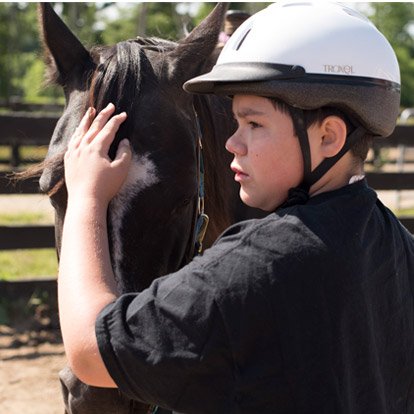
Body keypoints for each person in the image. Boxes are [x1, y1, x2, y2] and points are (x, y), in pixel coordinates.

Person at [59, 2, 414, 413]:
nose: (232, 143)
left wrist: (86, 196)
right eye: (234, 124)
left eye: (254, 124)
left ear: (329, 137)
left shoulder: (258, 266)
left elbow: (89, 352)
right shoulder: (398, 247)